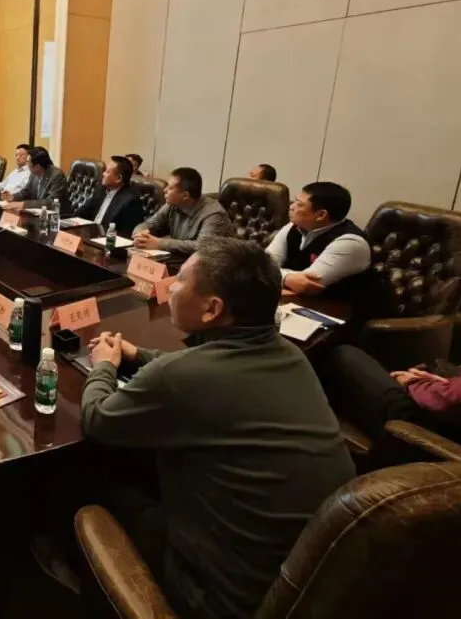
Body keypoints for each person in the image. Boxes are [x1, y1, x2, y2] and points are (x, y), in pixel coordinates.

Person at [81, 239, 354, 619]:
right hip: (300, 586)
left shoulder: (181, 377)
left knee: (83, 479)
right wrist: (138, 355)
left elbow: (97, 419)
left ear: (212, 309)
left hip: (217, 598)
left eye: (180, 280)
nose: (170, 286)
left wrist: (104, 365)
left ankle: (65, 570)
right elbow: (197, 371)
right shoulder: (290, 354)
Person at [314, 344, 461, 454]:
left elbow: (453, 400)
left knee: (344, 355)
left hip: (436, 433)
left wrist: (414, 383)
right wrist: (448, 383)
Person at [265, 181, 372, 299]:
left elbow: (305, 284)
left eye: (299, 204)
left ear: (321, 215)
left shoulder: (350, 243)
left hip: (337, 307)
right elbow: (263, 264)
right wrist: (287, 278)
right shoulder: (294, 226)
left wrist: (279, 276)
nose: (291, 207)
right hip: (296, 301)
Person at [131, 167, 232, 256]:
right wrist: (140, 234)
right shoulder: (171, 205)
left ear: (185, 196)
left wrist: (160, 243)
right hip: (179, 258)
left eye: (170, 188)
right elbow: (150, 224)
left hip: (212, 265)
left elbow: (203, 247)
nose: (164, 190)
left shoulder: (214, 214)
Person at [76, 156, 147, 235]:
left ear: (118, 178)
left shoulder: (131, 202)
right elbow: (82, 212)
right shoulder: (101, 189)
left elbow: (124, 234)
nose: (103, 174)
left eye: (107, 172)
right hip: (90, 233)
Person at [5, 146, 69, 213]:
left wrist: (23, 204)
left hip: (58, 216)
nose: (26, 164)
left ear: (37, 166)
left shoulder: (57, 175)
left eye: (28, 162)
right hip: (40, 213)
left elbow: (51, 202)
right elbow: (26, 191)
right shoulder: (34, 173)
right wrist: (12, 197)